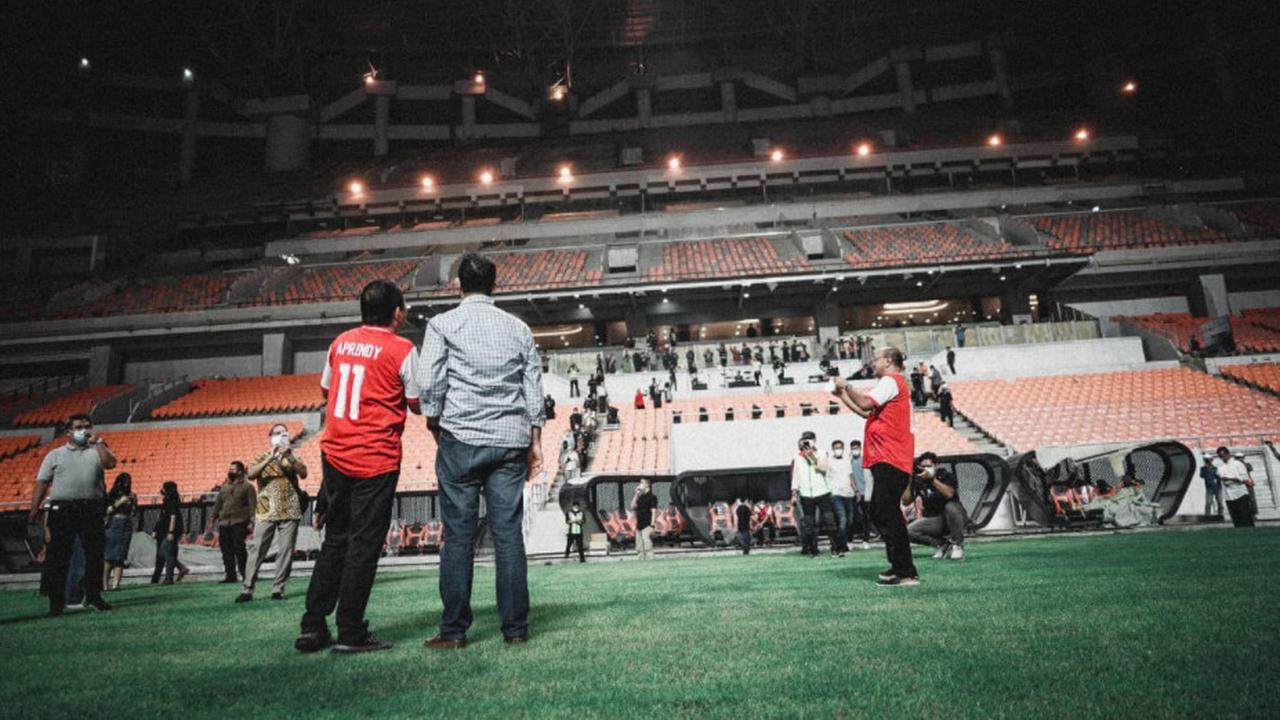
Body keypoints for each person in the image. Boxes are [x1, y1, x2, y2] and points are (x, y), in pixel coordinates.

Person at [419, 253, 543, 650]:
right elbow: (533, 388)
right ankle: (516, 630)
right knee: (508, 536)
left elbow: (430, 383)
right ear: (495, 285)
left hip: (461, 438)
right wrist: (535, 441)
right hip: (509, 440)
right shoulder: (518, 327)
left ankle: (454, 631)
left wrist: (436, 422)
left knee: (458, 537)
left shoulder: (442, 324)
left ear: (458, 284)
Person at [296, 279, 421, 655]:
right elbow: (416, 403)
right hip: (375, 458)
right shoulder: (402, 348)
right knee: (364, 545)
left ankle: (313, 625)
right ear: (397, 313)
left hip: (334, 454)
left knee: (336, 540)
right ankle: (351, 630)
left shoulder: (340, 342)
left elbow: (325, 389)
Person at [832, 347, 918, 586]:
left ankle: (906, 571)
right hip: (889, 458)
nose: (872, 364)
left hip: (891, 458)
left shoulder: (891, 381)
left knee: (886, 513)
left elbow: (865, 403)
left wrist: (847, 385)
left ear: (889, 361)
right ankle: (899, 566)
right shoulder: (893, 384)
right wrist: (842, 396)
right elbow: (863, 411)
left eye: (876, 359)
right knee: (883, 512)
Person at [27, 413, 116, 615]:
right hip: (63, 509)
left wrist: (99, 443)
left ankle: (93, 596)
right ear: (68, 432)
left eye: (87, 426)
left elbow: (110, 463)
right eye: (78, 427)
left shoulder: (97, 450)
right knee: (58, 557)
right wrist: (34, 509)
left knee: (94, 555)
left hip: (91, 508)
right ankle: (56, 602)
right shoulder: (55, 455)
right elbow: (42, 482)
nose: (83, 430)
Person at [240, 426, 307, 602]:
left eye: (283, 433)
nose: (280, 436)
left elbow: (304, 473)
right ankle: (248, 588)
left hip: (290, 506)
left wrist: (289, 456)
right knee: (258, 548)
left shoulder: (292, 455)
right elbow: (252, 474)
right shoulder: (261, 456)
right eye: (276, 433)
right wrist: (271, 457)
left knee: (286, 550)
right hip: (266, 508)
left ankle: (278, 588)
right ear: (270, 437)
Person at [791, 430, 843, 557]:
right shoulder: (798, 457)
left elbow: (824, 468)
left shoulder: (821, 453)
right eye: (805, 439)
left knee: (830, 521)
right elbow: (796, 476)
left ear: (814, 440)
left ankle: (836, 549)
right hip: (806, 494)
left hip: (823, 492)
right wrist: (794, 492)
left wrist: (812, 457)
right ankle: (813, 550)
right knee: (809, 525)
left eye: (809, 439)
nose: (807, 441)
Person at [906, 453, 966, 560]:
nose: (925, 469)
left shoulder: (945, 475)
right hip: (935, 520)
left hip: (955, 517)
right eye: (923, 467)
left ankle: (957, 545)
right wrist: (909, 480)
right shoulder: (919, 479)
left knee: (951, 507)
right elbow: (906, 501)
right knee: (907, 532)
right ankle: (942, 544)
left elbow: (949, 494)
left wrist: (932, 479)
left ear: (936, 465)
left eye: (928, 466)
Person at [210, 461, 255, 584]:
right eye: (229, 469)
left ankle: (246, 574)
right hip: (224, 523)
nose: (230, 471)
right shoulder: (224, 487)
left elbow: (253, 506)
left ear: (240, 471)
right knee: (226, 550)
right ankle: (230, 575)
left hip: (239, 521)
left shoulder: (248, 487)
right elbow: (218, 504)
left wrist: (252, 522)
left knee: (239, 548)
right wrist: (212, 519)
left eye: (233, 469)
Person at [102, 472, 137, 591]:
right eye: (125, 482)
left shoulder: (132, 495)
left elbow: (134, 513)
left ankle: (116, 584)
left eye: (129, 482)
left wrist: (132, 504)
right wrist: (119, 502)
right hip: (114, 523)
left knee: (121, 556)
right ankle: (104, 584)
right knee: (109, 556)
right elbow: (107, 511)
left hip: (126, 524)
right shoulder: (111, 495)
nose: (127, 484)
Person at [153, 481, 189, 585]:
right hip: (165, 530)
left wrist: (171, 532)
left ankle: (169, 578)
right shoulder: (167, 501)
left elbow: (173, 517)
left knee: (167, 553)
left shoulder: (172, 502)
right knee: (163, 553)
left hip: (170, 531)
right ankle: (181, 567)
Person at [827, 440, 857, 554]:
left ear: (843, 448)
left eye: (840, 447)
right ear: (833, 449)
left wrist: (856, 490)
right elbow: (827, 478)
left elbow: (851, 476)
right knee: (842, 520)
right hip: (836, 494)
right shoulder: (829, 462)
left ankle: (845, 542)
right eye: (836, 447)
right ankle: (841, 546)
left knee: (849, 520)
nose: (838, 449)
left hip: (849, 493)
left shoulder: (847, 461)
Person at [1213, 446, 1254, 527]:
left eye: (1224, 455)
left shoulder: (1238, 464)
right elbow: (1219, 480)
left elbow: (1246, 479)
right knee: (1236, 520)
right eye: (1220, 456)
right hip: (1229, 496)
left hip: (1240, 494)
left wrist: (1231, 479)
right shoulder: (1220, 468)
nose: (1223, 458)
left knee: (1246, 519)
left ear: (1228, 454)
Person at [849, 440, 874, 549]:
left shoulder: (865, 460)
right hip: (854, 493)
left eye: (856, 447)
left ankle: (866, 540)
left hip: (866, 492)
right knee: (854, 517)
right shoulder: (849, 462)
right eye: (853, 448)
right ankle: (851, 540)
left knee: (866, 517)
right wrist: (856, 490)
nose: (855, 450)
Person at [631, 478, 658, 560]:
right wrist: (636, 494)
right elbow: (632, 506)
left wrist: (652, 525)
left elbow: (653, 512)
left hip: (647, 524)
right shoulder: (640, 497)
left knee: (647, 545)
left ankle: (650, 559)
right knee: (639, 546)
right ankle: (641, 560)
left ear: (647, 484)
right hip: (639, 524)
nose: (640, 485)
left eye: (642, 483)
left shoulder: (652, 497)